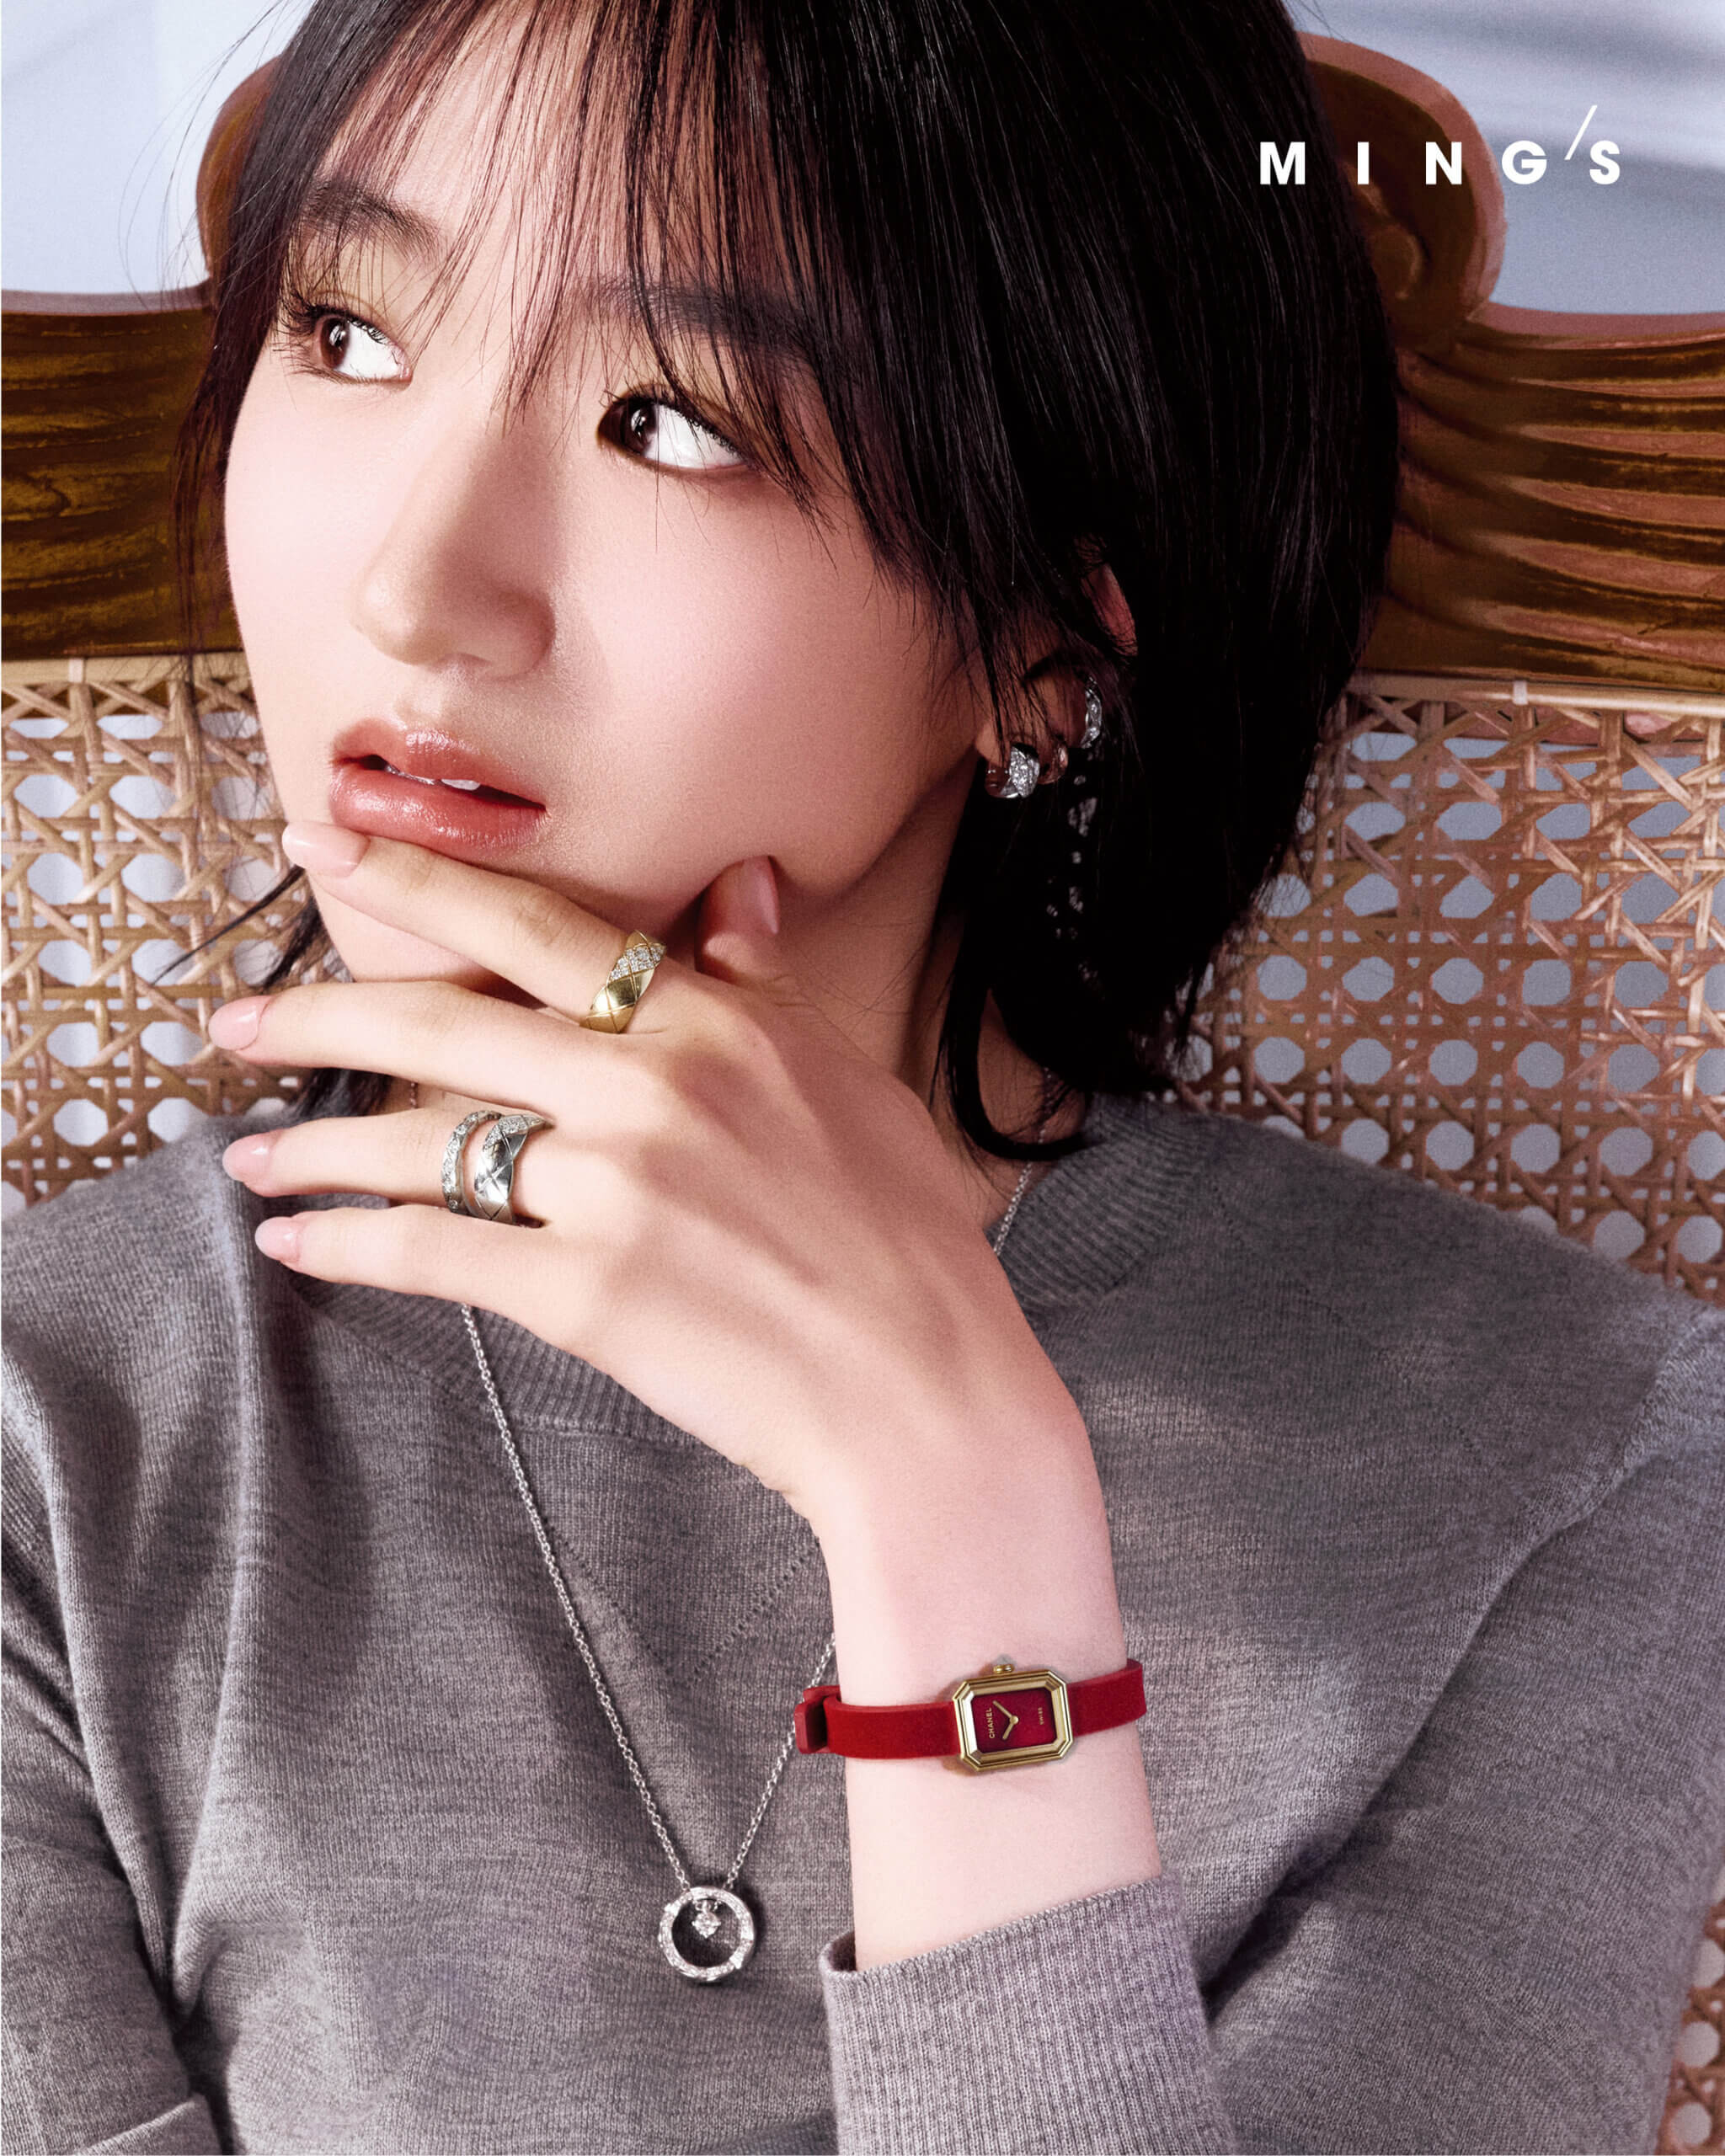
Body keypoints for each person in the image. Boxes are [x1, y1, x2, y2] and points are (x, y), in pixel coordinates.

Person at [4, 1, 1721, 2150]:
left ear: (1042, 642)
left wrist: (954, 1512)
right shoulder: (56, 1432)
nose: (413, 588)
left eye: (668, 419)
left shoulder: (1566, 1451)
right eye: (346, 332)